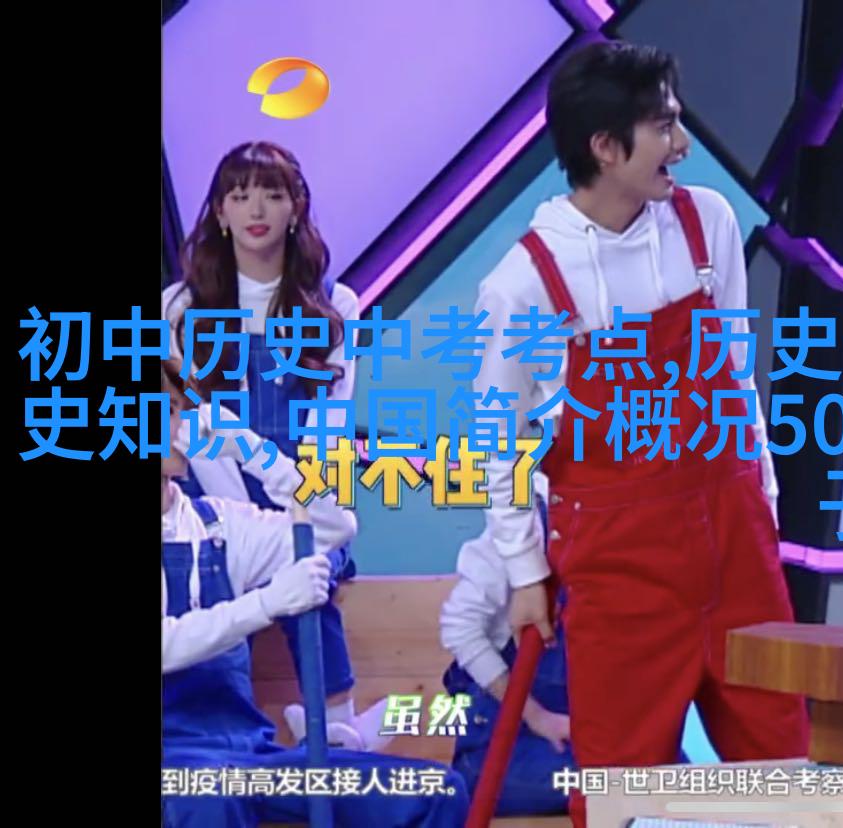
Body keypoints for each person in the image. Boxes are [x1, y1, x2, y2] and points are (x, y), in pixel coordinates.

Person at [468, 41, 808, 825]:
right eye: (663, 126)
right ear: (604, 146)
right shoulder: (524, 283)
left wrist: (762, 502)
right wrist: (524, 570)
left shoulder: (708, 223)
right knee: (618, 788)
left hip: (737, 544)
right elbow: (499, 438)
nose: (681, 144)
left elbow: (734, 377)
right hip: (621, 567)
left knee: (786, 773)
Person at [160, 360, 469, 827]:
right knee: (208, 796)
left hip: (250, 754)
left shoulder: (217, 524)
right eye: (164, 411)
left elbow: (331, 526)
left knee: (435, 792)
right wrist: (265, 604)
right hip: (176, 765)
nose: (179, 423)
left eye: (178, 409)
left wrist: (253, 450)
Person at [162, 141, 386, 750]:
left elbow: (329, 428)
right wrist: (249, 518)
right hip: (214, 488)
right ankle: (290, 732)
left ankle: (334, 729)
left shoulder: (336, 305)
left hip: (301, 485)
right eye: (239, 196)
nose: (255, 210)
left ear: (296, 208)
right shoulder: (180, 307)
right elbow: (193, 427)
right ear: (219, 212)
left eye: (271, 194)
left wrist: (298, 510)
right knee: (268, 557)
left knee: (308, 559)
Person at [438, 473, 575, 816]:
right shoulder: (529, 521)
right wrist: (537, 716)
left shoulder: (637, 525)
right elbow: (459, 627)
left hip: (592, 737)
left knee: (674, 776)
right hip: (508, 749)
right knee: (630, 784)